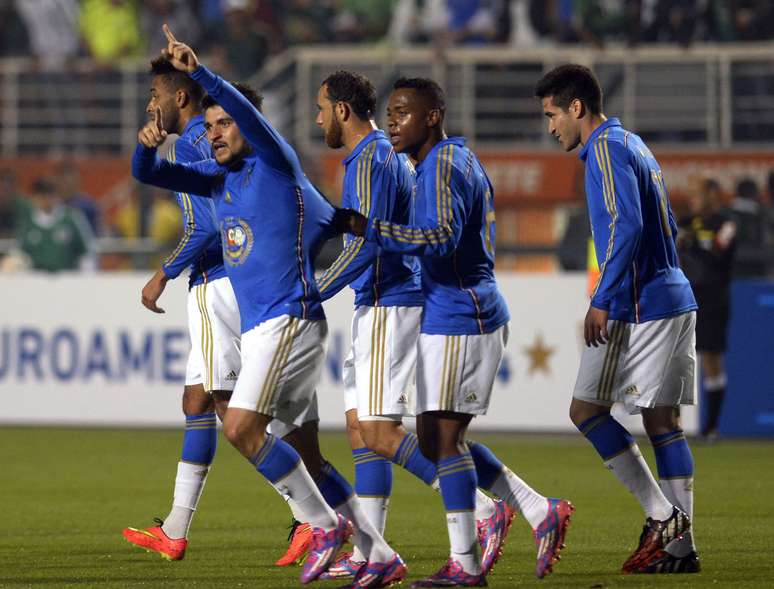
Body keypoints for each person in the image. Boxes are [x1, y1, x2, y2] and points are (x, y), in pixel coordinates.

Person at [131, 25, 403, 587]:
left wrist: (200, 70)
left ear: (248, 126)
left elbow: (245, 117)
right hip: (265, 330)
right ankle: (378, 553)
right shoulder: (216, 179)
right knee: (295, 442)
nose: (216, 135)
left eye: (224, 124)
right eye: (209, 128)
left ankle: (320, 525)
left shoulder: (275, 163)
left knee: (239, 427)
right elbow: (148, 173)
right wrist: (146, 142)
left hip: (288, 323)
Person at [344, 77, 573, 586]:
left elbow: (442, 239)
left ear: (432, 116)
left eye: (404, 112)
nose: (393, 122)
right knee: (438, 439)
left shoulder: (442, 165)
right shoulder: (452, 161)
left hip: (461, 315)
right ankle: (537, 511)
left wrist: (372, 228)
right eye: (390, 113)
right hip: (457, 312)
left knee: (441, 442)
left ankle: (467, 565)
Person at [313, 70, 512, 582]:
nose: (316, 119)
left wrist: (312, 293)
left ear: (341, 110)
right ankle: (372, 552)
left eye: (320, 108)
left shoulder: (374, 159)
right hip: (386, 301)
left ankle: (488, 512)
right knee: (367, 432)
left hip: (390, 301)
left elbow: (369, 243)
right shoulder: (391, 156)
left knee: (395, 433)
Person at [534, 64, 700, 574]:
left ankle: (664, 521)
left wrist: (604, 297)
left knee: (588, 411)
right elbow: (665, 223)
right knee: (662, 423)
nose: (550, 127)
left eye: (551, 115)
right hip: (667, 295)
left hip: (639, 304)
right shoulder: (634, 145)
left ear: (576, 107)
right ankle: (678, 547)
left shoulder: (605, 149)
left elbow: (627, 226)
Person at [122, 56, 242, 562]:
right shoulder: (205, 139)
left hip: (215, 283)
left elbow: (205, 228)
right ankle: (174, 529)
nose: (151, 104)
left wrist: (162, 274)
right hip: (220, 282)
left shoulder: (195, 141)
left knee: (234, 412)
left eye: (155, 93)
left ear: (179, 98)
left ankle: (311, 515)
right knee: (197, 402)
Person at [678, 177, 736, 441]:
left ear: (712, 194)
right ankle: (671, 425)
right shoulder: (685, 223)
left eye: (697, 194)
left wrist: (690, 242)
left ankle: (711, 427)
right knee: (674, 359)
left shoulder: (726, 224)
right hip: (684, 298)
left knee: (711, 359)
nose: (692, 200)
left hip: (714, 299)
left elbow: (717, 250)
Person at [16, 176, 95, 272]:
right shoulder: (27, 222)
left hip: (67, 277)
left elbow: (86, 252)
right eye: (41, 195)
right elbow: (20, 254)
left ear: (57, 196)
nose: (46, 199)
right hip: (36, 279)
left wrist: (86, 276)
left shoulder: (71, 219)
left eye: (50, 194)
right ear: (34, 198)